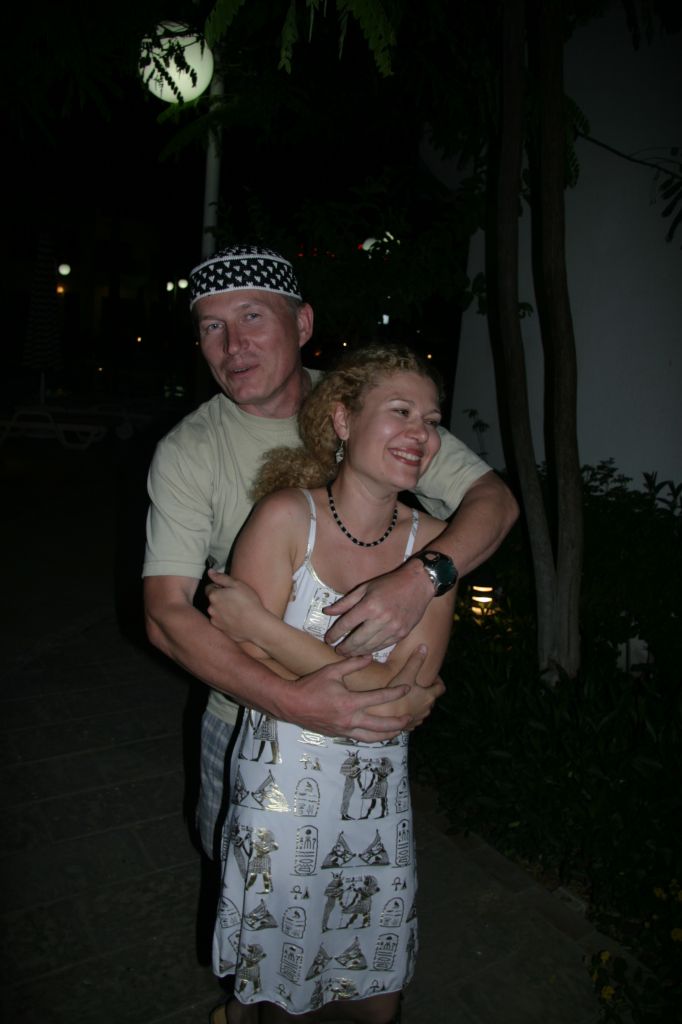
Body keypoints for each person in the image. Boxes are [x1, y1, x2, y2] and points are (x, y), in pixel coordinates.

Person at [142, 244, 517, 873]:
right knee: (247, 890)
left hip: (371, 731)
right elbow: (165, 614)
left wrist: (421, 579)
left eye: (253, 316)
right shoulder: (191, 451)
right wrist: (293, 700)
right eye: (212, 327)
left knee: (353, 899)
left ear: (303, 323)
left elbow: (494, 502)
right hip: (244, 713)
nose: (233, 345)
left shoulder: (372, 407)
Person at [206, 344, 460, 1022]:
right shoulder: (286, 517)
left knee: (376, 1001)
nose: (422, 433)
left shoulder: (436, 547)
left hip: (375, 810)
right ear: (344, 420)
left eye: (432, 420)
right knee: (278, 994)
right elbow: (241, 663)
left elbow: (407, 696)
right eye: (401, 411)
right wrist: (256, 641)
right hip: (279, 799)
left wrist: (265, 628)